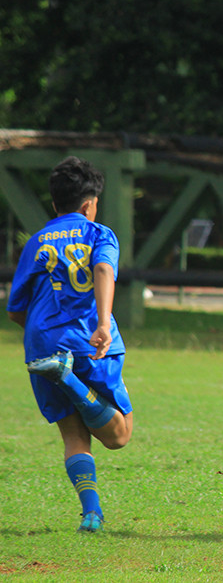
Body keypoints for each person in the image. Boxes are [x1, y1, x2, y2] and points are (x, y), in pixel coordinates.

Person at [6, 156, 134, 533]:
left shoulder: (37, 242)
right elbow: (104, 269)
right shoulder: (99, 234)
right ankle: (71, 381)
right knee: (119, 435)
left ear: (54, 204)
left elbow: (15, 308)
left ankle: (91, 514)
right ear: (88, 205)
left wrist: (43, 335)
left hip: (42, 343)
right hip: (89, 337)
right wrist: (103, 322)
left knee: (73, 435)